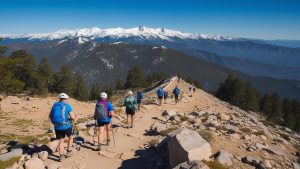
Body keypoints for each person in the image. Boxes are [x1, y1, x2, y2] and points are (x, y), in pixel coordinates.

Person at [49, 93, 76, 162]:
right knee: (71, 137)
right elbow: (72, 117)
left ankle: (61, 156)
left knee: (61, 141)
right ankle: (69, 151)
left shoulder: (54, 105)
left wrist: (54, 123)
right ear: (66, 99)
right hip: (66, 126)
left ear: (59, 99)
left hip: (57, 127)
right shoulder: (67, 106)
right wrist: (74, 117)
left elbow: (50, 116)